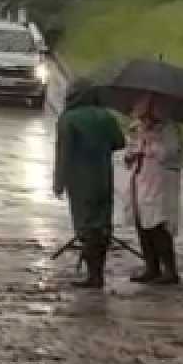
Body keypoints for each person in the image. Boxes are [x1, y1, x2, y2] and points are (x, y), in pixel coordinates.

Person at [54, 81, 127, 288]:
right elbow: (120, 142)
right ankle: (98, 273)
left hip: (79, 179)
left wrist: (59, 182)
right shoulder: (106, 116)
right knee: (102, 223)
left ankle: (93, 275)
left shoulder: (68, 119)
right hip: (103, 176)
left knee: (85, 224)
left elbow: (64, 154)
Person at [125, 94, 182, 285]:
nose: (143, 120)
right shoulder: (140, 129)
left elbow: (170, 155)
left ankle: (170, 270)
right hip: (141, 181)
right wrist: (132, 153)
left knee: (158, 225)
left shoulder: (168, 131)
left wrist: (151, 144)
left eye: (146, 116)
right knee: (143, 224)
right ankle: (151, 267)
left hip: (160, 184)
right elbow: (131, 152)